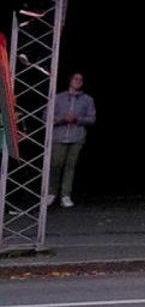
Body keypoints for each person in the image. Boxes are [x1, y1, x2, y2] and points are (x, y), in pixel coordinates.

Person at [48, 71, 95, 207]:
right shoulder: (57, 98)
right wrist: (62, 119)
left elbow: (92, 118)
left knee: (70, 166)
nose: (78, 81)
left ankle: (65, 195)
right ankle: (51, 192)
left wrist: (78, 119)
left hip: (76, 137)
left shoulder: (87, 99)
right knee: (56, 165)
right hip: (59, 136)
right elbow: (46, 117)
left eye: (81, 79)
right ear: (70, 80)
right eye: (75, 78)